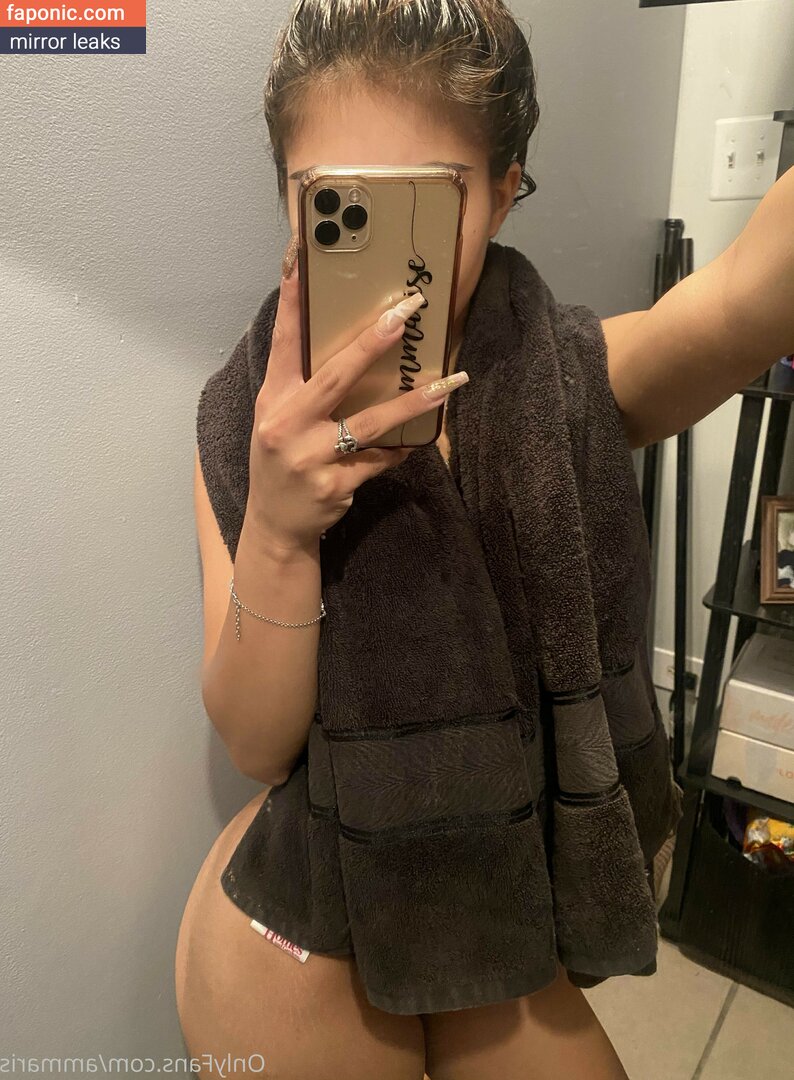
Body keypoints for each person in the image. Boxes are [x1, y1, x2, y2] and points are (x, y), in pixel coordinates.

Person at [174, 1, 792, 1076]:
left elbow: (748, 297)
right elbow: (255, 747)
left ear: (503, 194)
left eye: (424, 201)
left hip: (490, 896)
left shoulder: (575, 380)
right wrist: (275, 526)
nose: (385, 255)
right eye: (334, 198)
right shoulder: (242, 429)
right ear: (288, 195)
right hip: (303, 903)